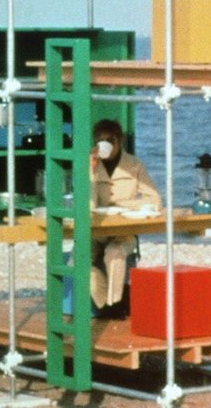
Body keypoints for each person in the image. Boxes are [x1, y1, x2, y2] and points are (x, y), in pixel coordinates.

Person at [86, 118, 161, 318]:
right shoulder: (90, 165)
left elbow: (154, 201)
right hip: (97, 231)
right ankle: (107, 306)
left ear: (119, 141)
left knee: (115, 253)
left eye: (110, 140)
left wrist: (124, 206)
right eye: (100, 140)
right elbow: (88, 206)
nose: (106, 145)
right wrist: (90, 172)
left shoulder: (134, 165)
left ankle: (115, 303)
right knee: (78, 262)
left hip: (123, 231)